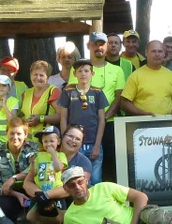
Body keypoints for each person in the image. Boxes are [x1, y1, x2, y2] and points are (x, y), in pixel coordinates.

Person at [61, 166, 172, 224]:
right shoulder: (70, 216)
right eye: (71, 185)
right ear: (66, 189)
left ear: (86, 181)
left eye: (80, 182)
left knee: (156, 216)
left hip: (141, 223)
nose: (77, 187)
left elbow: (141, 197)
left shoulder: (104, 187)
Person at [67, 33, 126, 179]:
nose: (99, 47)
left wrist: (104, 117)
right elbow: (71, 96)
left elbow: (119, 97)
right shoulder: (79, 70)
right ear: (89, 46)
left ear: (106, 46)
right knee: (82, 168)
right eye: (95, 44)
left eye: (102, 44)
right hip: (83, 125)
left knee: (110, 164)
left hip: (110, 124)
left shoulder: (117, 70)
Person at [59, 59, 108, 183]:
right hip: (73, 144)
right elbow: (63, 117)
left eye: (86, 71)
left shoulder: (98, 92)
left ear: (92, 73)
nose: (83, 74)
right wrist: (65, 142)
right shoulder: (68, 91)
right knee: (75, 180)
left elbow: (102, 120)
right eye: (79, 71)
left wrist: (97, 145)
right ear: (74, 74)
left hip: (93, 144)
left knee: (95, 180)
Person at [23, 123, 92, 205]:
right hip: (43, 198)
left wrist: (45, 195)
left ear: (81, 144)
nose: (73, 140)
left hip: (72, 203)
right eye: (70, 136)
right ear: (62, 138)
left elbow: (77, 187)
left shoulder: (84, 162)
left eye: (78, 139)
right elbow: (27, 180)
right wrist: (40, 195)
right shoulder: (43, 156)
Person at [0, 116, 36, 224]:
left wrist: (14, 178)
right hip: (10, 193)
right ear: (6, 133)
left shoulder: (34, 149)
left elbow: (36, 170)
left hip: (30, 189)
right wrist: (16, 194)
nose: (15, 137)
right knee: (1, 204)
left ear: (25, 134)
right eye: (12, 133)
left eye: (19, 133)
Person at [24, 126, 67, 224]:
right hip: (40, 193)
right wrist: (32, 163)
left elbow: (58, 168)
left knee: (61, 218)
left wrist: (53, 154)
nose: (48, 144)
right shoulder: (39, 156)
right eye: (45, 141)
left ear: (58, 141)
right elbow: (34, 173)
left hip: (55, 193)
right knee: (30, 216)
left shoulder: (61, 155)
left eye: (51, 141)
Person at [121, 40, 172, 116]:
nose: (157, 54)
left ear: (164, 54)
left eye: (160, 51)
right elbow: (124, 103)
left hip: (167, 123)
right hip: (142, 123)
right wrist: (143, 114)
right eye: (153, 51)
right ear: (146, 53)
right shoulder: (135, 75)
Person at [22, 60, 62, 138]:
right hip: (27, 143)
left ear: (48, 77)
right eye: (35, 74)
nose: (38, 78)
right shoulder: (26, 93)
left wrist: (41, 118)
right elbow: (23, 115)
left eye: (41, 75)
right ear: (30, 75)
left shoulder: (53, 91)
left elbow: (61, 116)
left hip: (46, 142)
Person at [0, 74, 20, 144]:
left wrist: (4, 105)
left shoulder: (13, 101)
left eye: (4, 85)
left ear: (9, 89)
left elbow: (13, 122)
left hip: (8, 140)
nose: (1, 87)